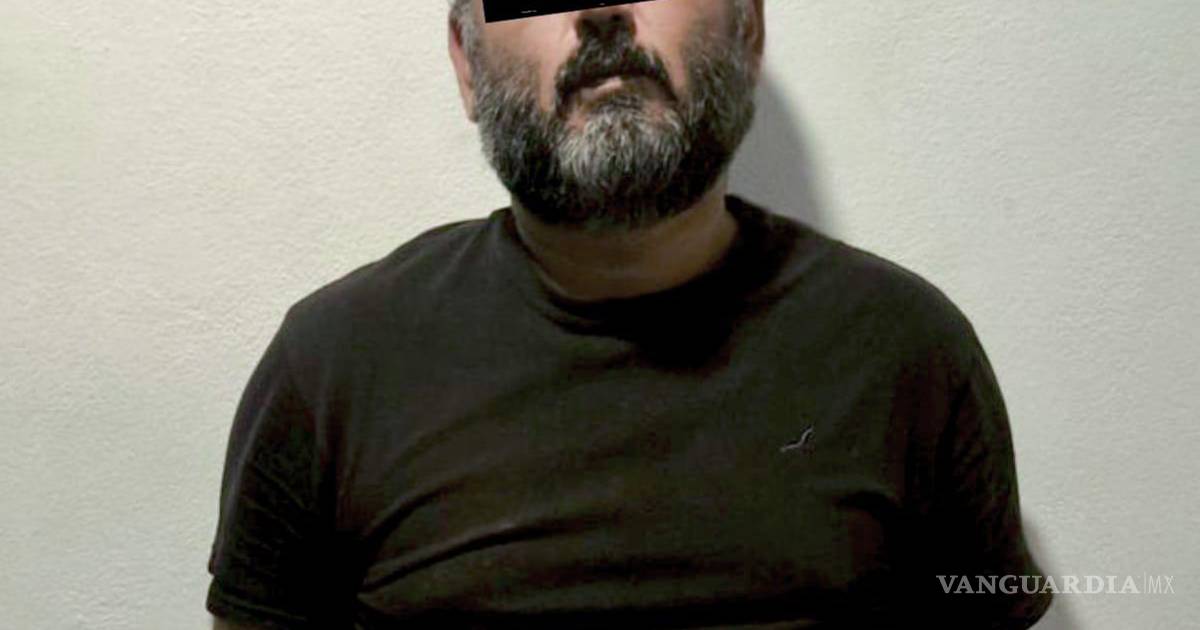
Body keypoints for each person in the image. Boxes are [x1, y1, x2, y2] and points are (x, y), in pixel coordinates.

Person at [206, 1, 1054, 627]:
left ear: (749, 30)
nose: (603, 13)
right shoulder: (333, 369)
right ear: (467, 62)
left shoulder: (909, 354)